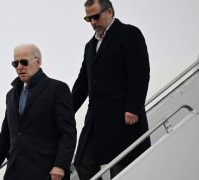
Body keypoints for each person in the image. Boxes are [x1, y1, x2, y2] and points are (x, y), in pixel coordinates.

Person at [72, 0, 151, 179]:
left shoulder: (129, 33)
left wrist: (133, 107)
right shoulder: (90, 46)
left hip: (123, 116)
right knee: (83, 162)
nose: (92, 22)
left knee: (122, 168)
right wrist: (64, 111)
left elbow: (140, 72)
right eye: (88, 18)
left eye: (96, 16)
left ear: (110, 12)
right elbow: (82, 84)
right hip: (96, 118)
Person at [0, 44, 77, 180]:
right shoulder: (11, 95)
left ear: (38, 61)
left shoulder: (57, 89)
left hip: (46, 172)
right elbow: (5, 138)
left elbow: (68, 132)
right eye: (15, 63)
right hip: (15, 172)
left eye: (23, 62)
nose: (19, 67)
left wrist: (60, 165)